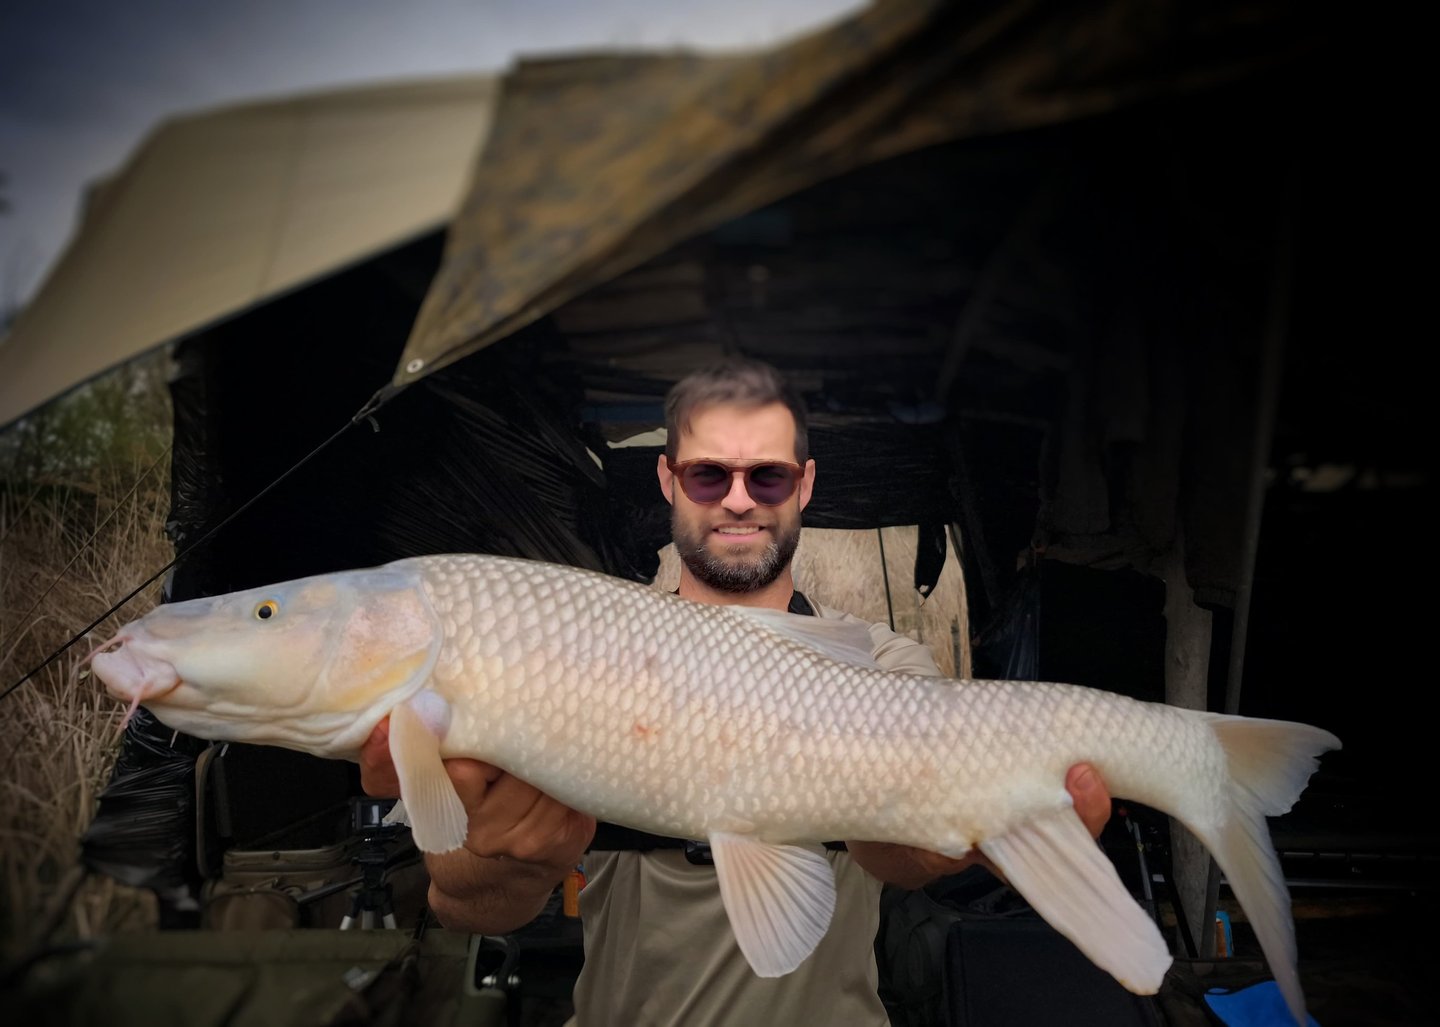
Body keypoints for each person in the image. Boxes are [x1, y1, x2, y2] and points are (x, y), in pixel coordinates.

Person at [359, 357, 1112, 1025]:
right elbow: (460, 901)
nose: (740, 499)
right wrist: (499, 863)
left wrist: (962, 834)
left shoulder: (882, 662)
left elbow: (896, 855)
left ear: (806, 484)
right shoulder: (573, 652)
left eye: (768, 475)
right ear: (667, 479)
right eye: (709, 474)